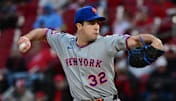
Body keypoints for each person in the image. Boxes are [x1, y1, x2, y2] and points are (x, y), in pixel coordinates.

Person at [18, 6, 164, 101]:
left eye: (97, 23)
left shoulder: (107, 42)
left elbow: (133, 41)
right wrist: (27, 37)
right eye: (91, 23)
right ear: (79, 26)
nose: (96, 27)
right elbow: (43, 33)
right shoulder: (64, 42)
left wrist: (154, 39)